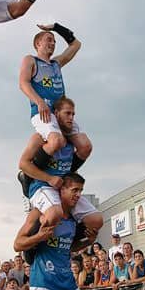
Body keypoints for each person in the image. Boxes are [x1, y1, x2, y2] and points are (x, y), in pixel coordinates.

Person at [13, 173, 100, 290]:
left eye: (81, 191)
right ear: (61, 190)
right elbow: (17, 244)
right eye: (74, 190)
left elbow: (69, 247)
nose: (78, 195)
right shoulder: (40, 212)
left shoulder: (75, 220)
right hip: (44, 283)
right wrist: (40, 236)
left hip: (67, 284)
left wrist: (88, 242)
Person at [18, 97, 103, 251]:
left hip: (63, 187)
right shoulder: (40, 137)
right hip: (43, 184)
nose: (71, 118)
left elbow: (84, 148)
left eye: (73, 115)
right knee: (54, 214)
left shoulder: (72, 140)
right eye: (67, 114)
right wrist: (49, 178)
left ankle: (67, 245)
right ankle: (33, 250)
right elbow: (22, 164)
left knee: (96, 220)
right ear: (56, 114)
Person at [18, 23, 90, 188]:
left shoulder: (56, 63)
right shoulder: (31, 60)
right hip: (43, 112)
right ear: (38, 44)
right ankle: (28, 176)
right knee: (56, 141)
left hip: (61, 114)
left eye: (54, 41)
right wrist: (39, 101)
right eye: (48, 40)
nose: (52, 43)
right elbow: (23, 83)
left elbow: (76, 45)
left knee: (85, 146)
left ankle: (64, 176)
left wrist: (56, 27)